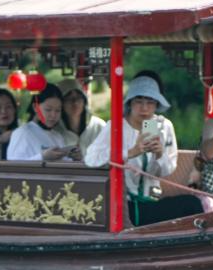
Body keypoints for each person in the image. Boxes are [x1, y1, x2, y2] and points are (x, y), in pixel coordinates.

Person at [85, 75, 202, 226]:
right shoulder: (116, 126)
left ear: (157, 104)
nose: (144, 108)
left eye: (150, 102)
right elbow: (91, 160)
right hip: (124, 205)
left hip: (152, 202)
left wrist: (159, 154)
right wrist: (130, 153)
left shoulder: (163, 126)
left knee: (192, 203)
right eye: (139, 101)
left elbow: (167, 171)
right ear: (130, 103)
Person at [7, 83, 82, 162]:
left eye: (58, 110)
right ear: (35, 107)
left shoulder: (57, 136)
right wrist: (42, 157)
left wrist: (74, 158)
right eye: (48, 110)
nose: (53, 115)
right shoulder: (22, 133)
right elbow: (13, 166)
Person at [57, 78, 105, 152]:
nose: (75, 103)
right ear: (61, 103)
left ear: (84, 101)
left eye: (78, 98)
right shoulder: (56, 131)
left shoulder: (98, 126)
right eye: (69, 98)